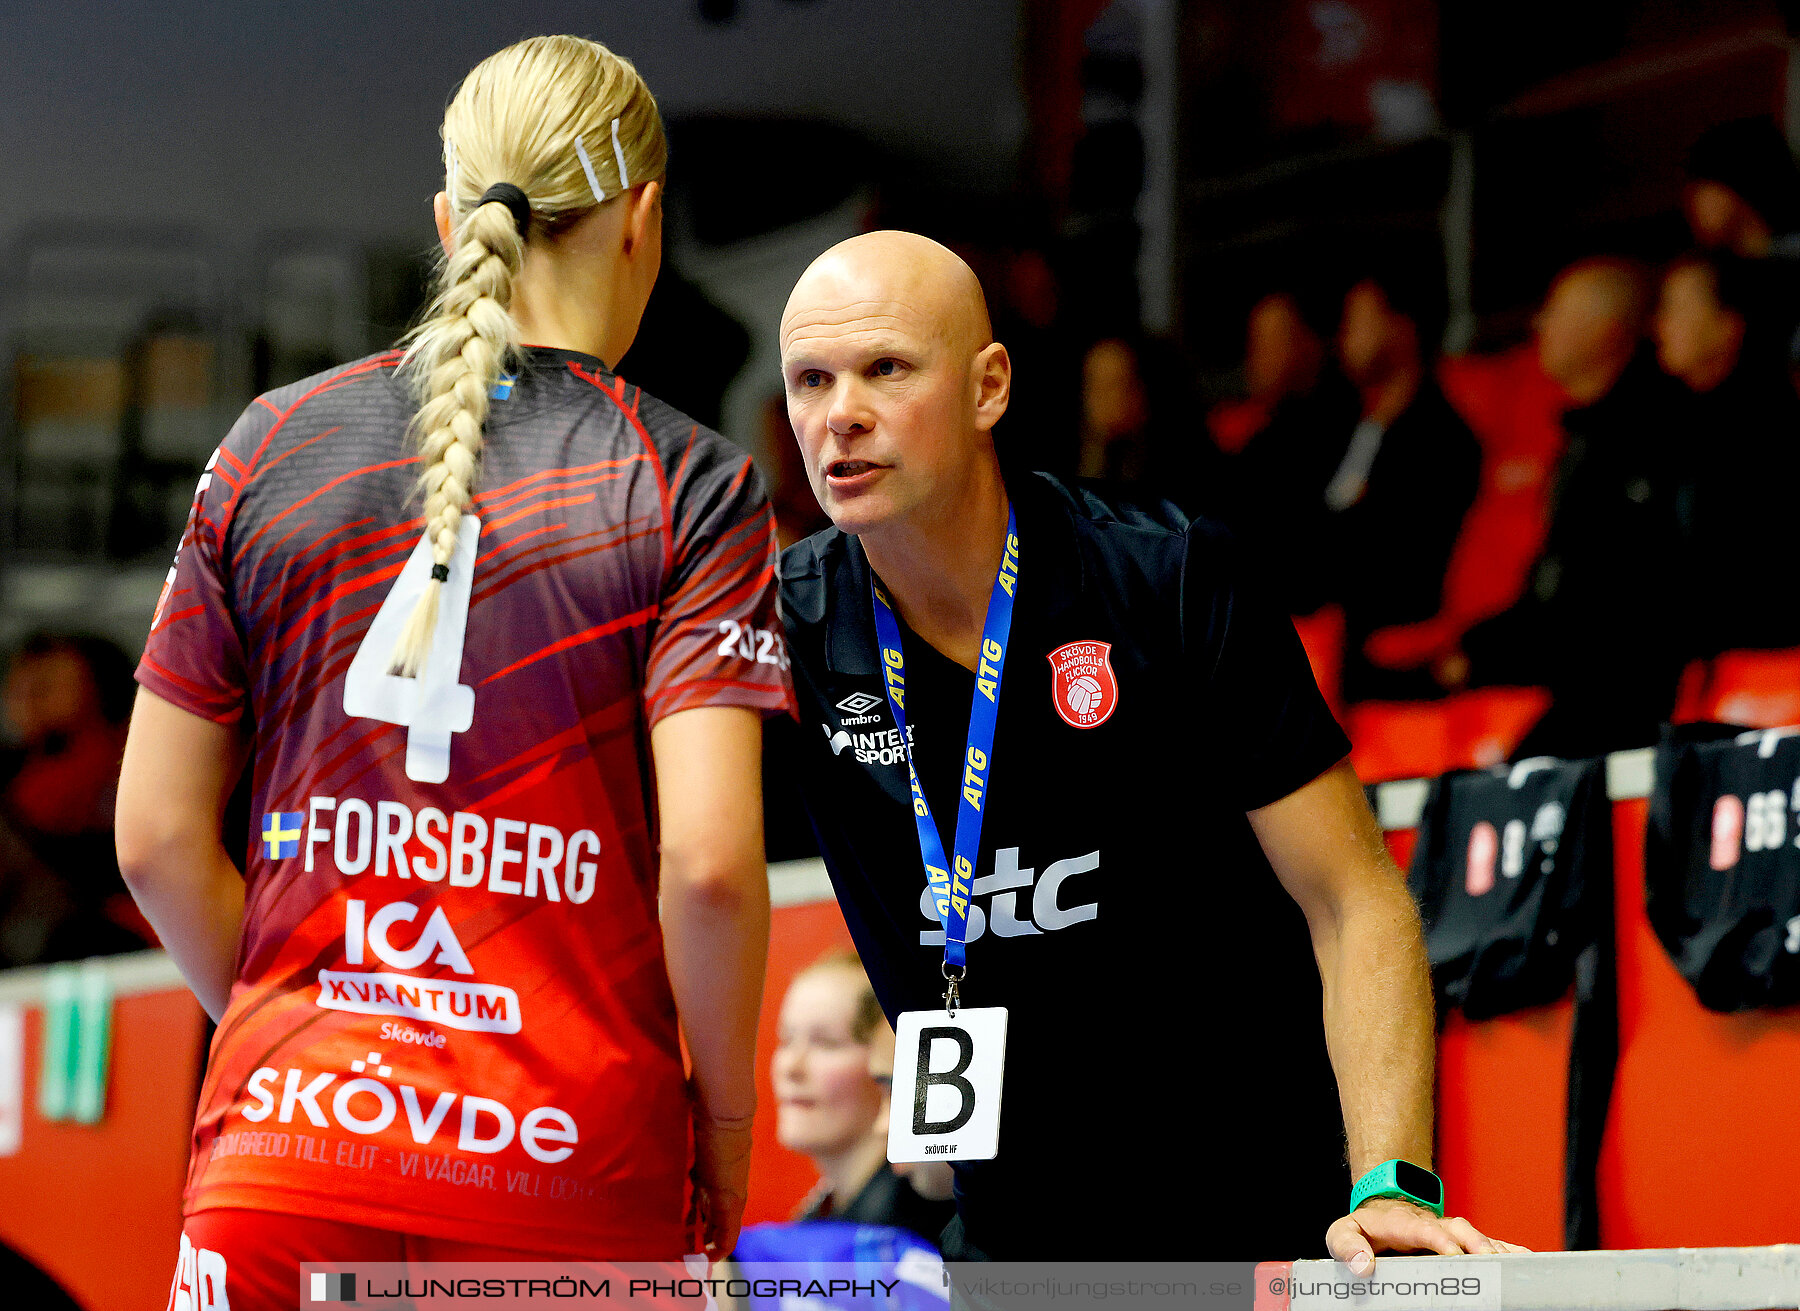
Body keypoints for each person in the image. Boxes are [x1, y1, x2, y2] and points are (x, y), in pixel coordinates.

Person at [114, 36, 789, 1306]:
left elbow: (151, 840)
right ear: (646, 219)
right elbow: (707, 865)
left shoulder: (270, 442)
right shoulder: (690, 480)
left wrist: (299, 1038)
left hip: (282, 1161)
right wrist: (728, 1132)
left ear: (447, 218)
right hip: (571, 1172)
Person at [773, 230, 1522, 1262]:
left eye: (885, 368)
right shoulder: (787, 634)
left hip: (1250, 1221)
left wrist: (1393, 1178)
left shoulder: (1167, 578)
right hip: (1016, 1242)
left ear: (989, 387)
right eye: (811, 379)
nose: (839, 413)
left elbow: (1353, 899)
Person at [1323, 263, 1482, 696]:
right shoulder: (1343, 428)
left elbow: (1396, 555)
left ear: (1402, 327)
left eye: (1358, 319)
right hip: (1334, 649)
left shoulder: (1440, 438)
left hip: (1394, 661)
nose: (1344, 335)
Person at [1653, 250, 1800, 657]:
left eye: (1677, 308)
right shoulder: (1668, 428)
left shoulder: (1771, 438)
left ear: (1729, 324)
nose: (1660, 325)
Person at [772, 950, 955, 1244]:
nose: (791, 1067)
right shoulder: (821, 1215)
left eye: (827, 1043)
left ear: (890, 1058)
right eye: (786, 1039)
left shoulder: (919, 1232)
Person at [1, 632, 149, 965]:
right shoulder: (21, 767)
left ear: (100, 689)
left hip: (128, 942)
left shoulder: (121, 755)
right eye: (16, 689)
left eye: (43, 687)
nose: (22, 700)